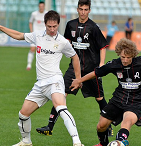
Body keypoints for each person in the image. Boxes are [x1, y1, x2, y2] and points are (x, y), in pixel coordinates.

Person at [0, 10, 85, 146]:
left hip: (55, 81)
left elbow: (75, 57)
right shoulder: (37, 35)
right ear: (44, 24)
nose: (52, 29)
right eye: (49, 26)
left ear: (58, 24)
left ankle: (77, 143)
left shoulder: (63, 42)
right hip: (40, 84)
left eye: (55, 26)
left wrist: (78, 79)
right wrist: (0, 27)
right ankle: (26, 141)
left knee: (60, 107)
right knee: (23, 114)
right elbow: (19, 35)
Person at [36, 0, 114, 137]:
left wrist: (101, 64)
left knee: (99, 98)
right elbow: (66, 43)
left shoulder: (93, 27)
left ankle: (108, 126)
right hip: (74, 68)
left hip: (91, 69)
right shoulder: (70, 25)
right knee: (61, 94)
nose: (83, 12)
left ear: (89, 10)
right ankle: (49, 127)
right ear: (77, 9)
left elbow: (102, 46)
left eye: (85, 9)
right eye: (81, 9)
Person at [70, 38, 141, 146]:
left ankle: (119, 145)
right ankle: (103, 144)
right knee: (101, 126)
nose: (125, 60)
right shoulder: (114, 64)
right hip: (119, 98)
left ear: (133, 55)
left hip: (137, 101)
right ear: (119, 54)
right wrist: (79, 80)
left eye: (128, 57)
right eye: (123, 57)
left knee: (126, 122)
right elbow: (96, 73)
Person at [26, 1, 47, 70]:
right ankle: (29, 64)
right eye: (40, 6)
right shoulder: (34, 14)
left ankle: (42, 66)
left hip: (43, 35)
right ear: (38, 7)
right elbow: (30, 22)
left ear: (44, 7)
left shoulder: (47, 14)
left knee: (43, 50)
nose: (41, 8)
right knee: (32, 49)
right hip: (35, 34)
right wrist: (31, 31)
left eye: (42, 6)